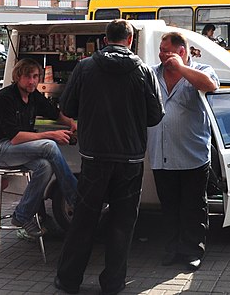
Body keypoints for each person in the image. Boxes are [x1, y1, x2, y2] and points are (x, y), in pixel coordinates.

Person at [55, 19, 164, 295]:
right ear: (129, 40)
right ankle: (113, 283)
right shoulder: (143, 70)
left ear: (105, 40)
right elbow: (155, 115)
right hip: (130, 160)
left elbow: (67, 106)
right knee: (122, 222)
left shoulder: (85, 66)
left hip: (94, 157)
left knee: (83, 219)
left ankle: (68, 281)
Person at [0, 58, 78, 240]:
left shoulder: (33, 95)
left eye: (36, 77)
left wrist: (71, 123)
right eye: (28, 77)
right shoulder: (6, 97)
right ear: (18, 77)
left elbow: (54, 113)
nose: (33, 81)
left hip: (14, 148)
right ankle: (74, 197)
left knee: (45, 166)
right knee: (49, 146)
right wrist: (52, 135)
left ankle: (22, 215)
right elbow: (16, 137)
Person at [148, 31, 219, 271]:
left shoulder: (201, 70)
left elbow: (210, 86)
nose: (161, 54)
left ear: (180, 51)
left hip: (192, 155)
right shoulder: (152, 73)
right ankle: (171, 249)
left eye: (166, 50)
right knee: (169, 207)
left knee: (193, 207)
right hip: (161, 154)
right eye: (160, 49)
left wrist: (181, 68)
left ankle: (191, 251)